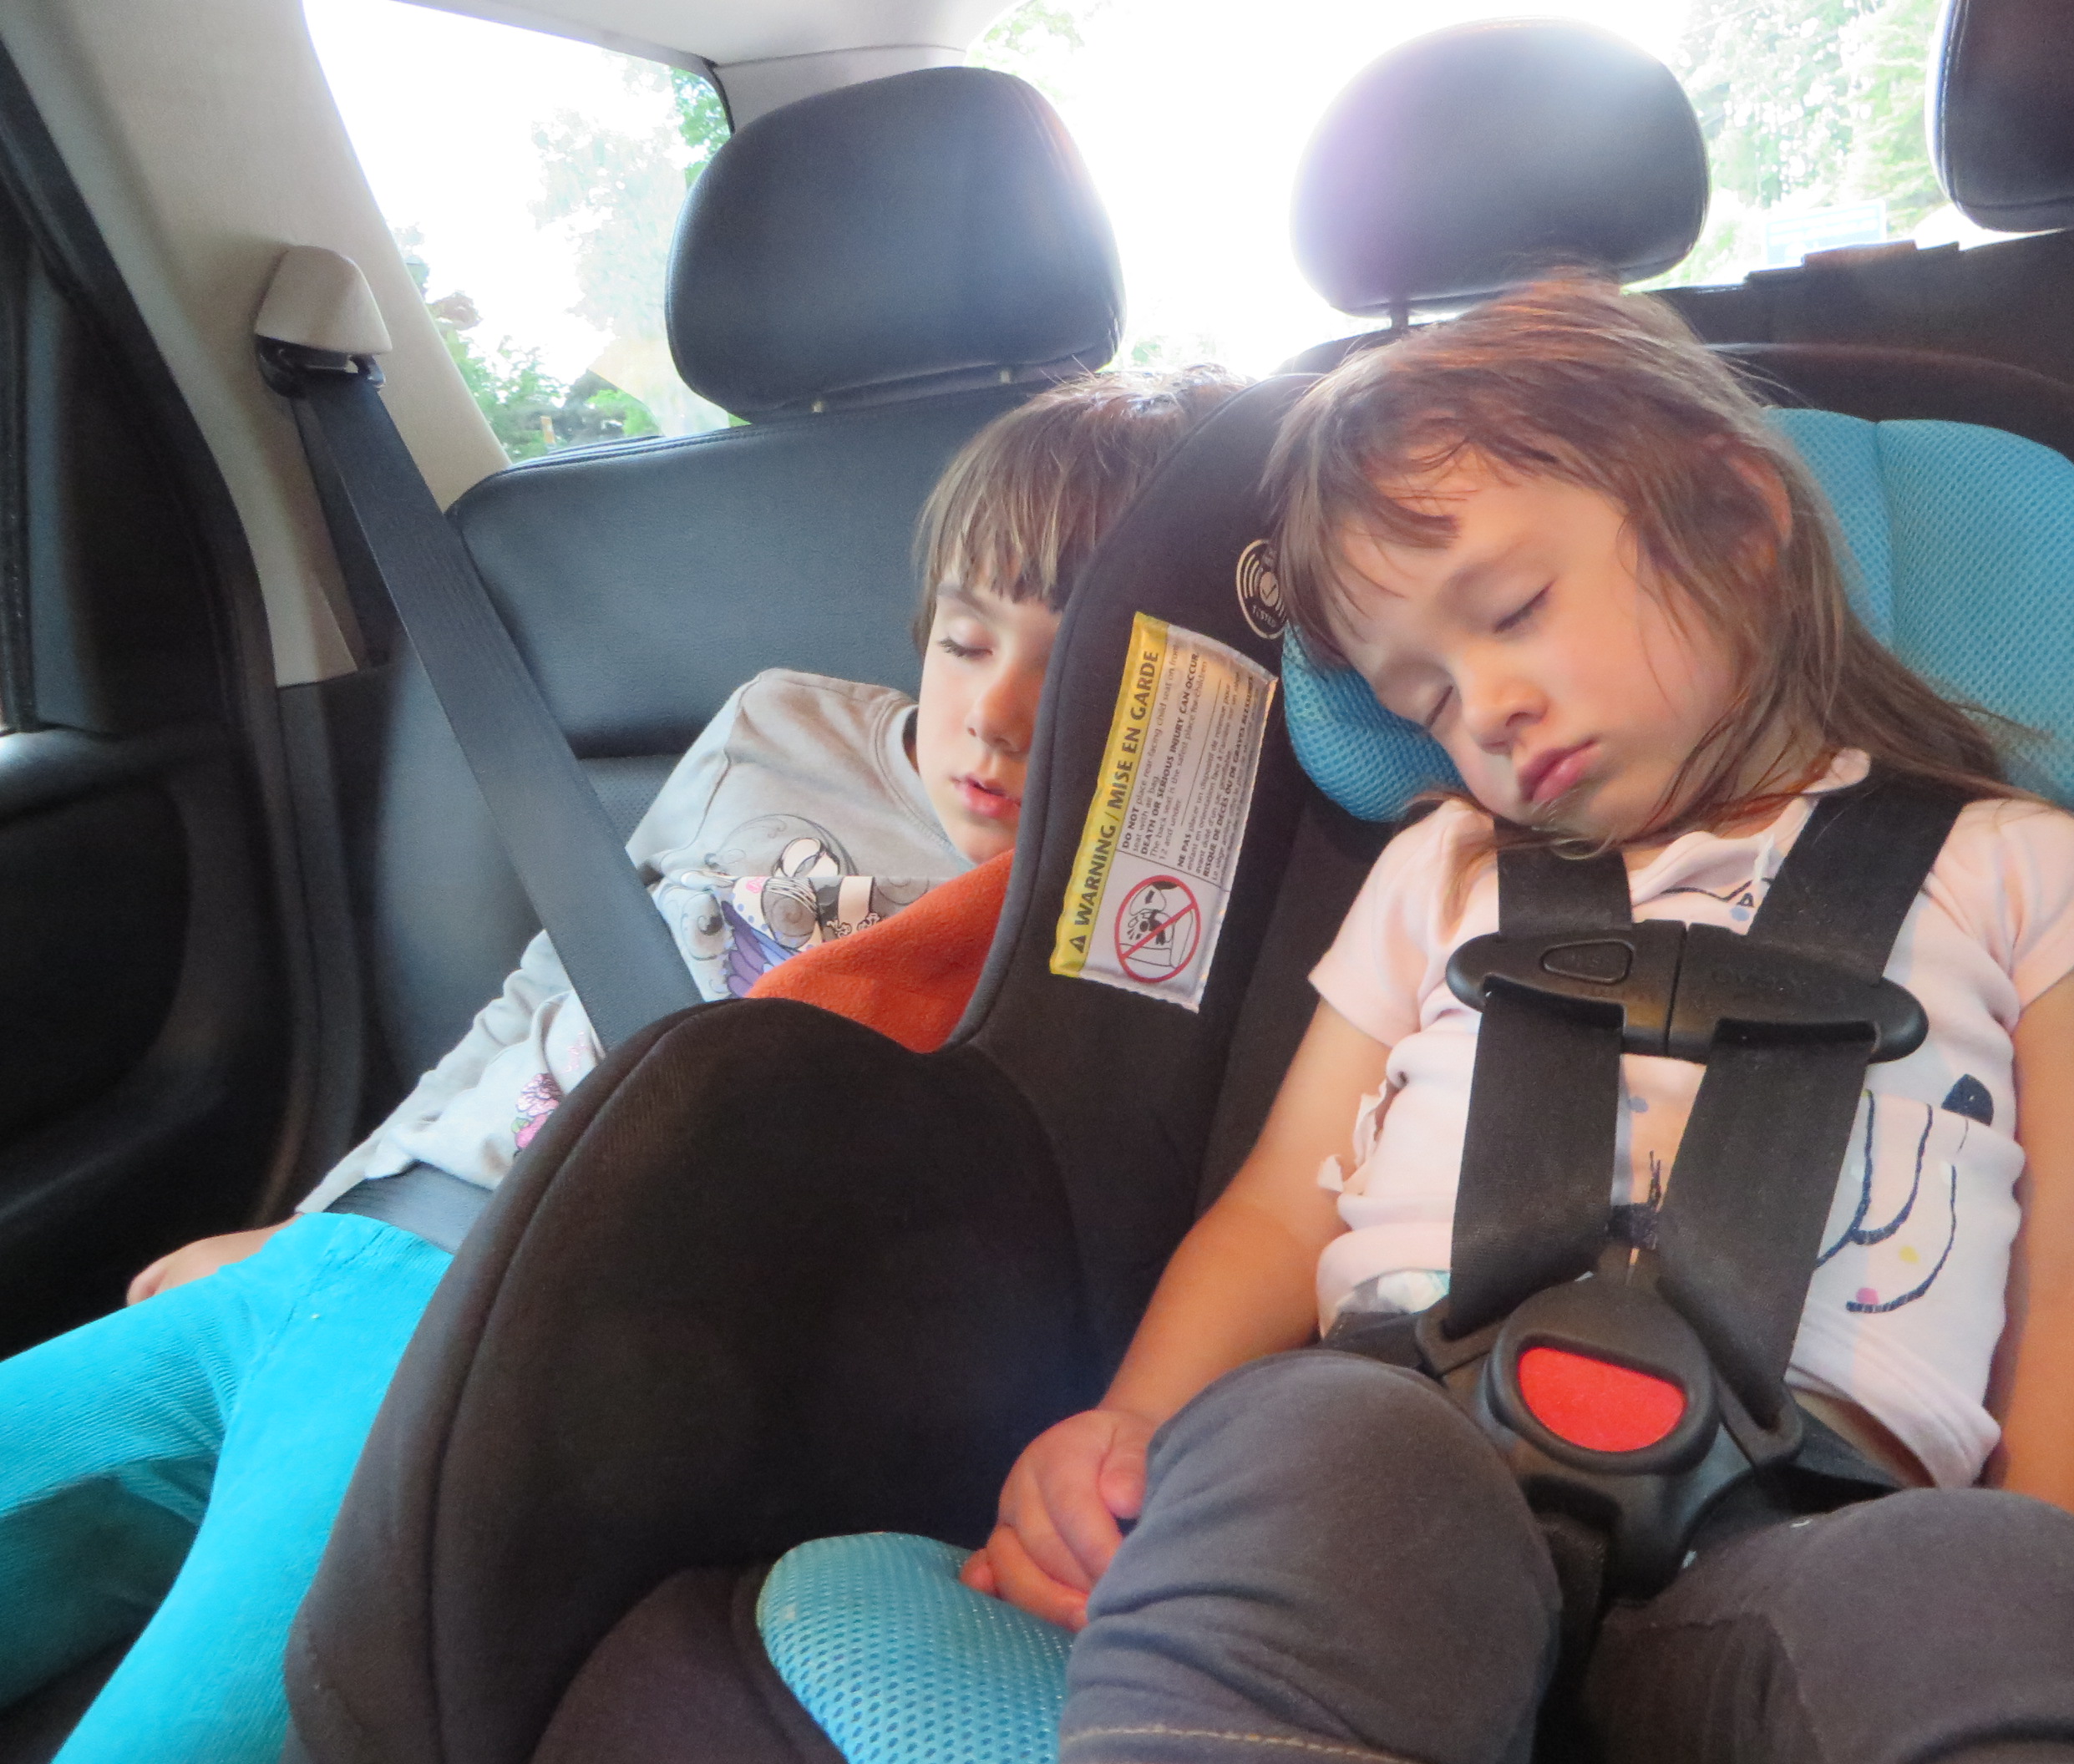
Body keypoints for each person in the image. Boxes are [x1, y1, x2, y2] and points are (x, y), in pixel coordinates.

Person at [963, 282, 2074, 1764]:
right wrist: (1131, 1428)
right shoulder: (1440, 872)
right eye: (1424, 698)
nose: (1486, 711)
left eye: (1516, 611)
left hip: (1819, 1528)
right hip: (1407, 1473)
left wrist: (2048, 1564)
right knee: (1295, 1454)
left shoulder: (2022, 869)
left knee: (1997, 1608)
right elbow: (1273, 1212)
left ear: (1736, 519)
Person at [0, 366, 1240, 1764]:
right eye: (965, 640)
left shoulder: (1122, 914)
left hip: (503, 1343)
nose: (996, 715)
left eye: (1078, 667)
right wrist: (314, 1218)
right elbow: (541, 994)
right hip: (342, 1257)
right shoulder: (777, 723)